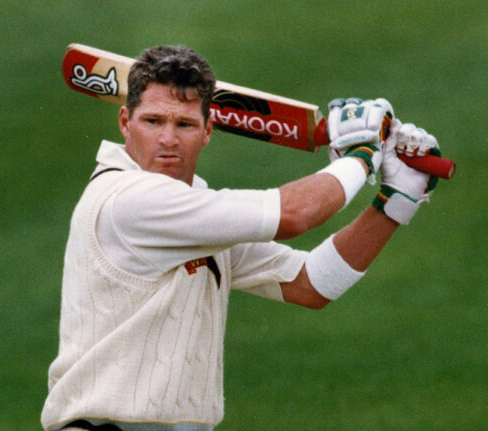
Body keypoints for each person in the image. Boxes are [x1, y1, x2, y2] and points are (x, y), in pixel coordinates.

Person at [41, 45, 440, 431]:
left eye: (184, 124)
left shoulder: (194, 215)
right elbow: (296, 214)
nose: (168, 139)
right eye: (153, 121)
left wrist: (394, 202)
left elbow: (311, 284)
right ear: (125, 123)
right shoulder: (129, 200)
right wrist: (363, 154)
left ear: (207, 131)